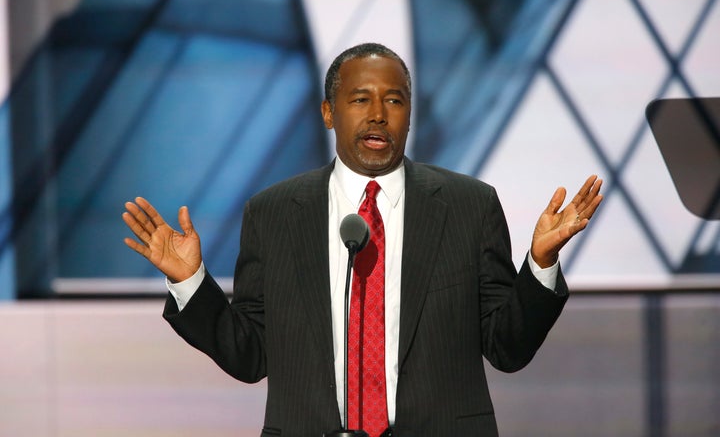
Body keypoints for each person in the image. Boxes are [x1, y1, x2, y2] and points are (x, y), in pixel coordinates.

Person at [122, 43, 602, 437]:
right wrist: (190, 283)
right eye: (360, 99)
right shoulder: (272, 214)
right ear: (329, 113)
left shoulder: (468, 206)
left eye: (394, 100)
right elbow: (250, 355)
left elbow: (507, 347)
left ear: (409, 115)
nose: (378, 115)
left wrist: (540, 264)